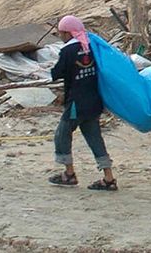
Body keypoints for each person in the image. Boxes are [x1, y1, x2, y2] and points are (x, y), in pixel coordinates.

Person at [49, 15, 117, 191]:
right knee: (95, 138)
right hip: (94, 102)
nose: (60, 36)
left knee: (62, 135)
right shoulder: (92, 46)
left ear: (67, 33)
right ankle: (108, 177)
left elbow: (56, 73)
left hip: (76, 104)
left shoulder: (68, 51)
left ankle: (69, 174)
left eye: (61, 33)